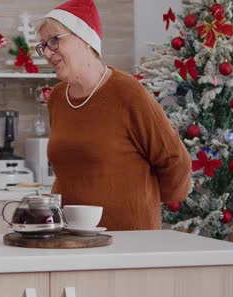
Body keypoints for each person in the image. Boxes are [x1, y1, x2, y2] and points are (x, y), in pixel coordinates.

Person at [36, 0, 192, 231]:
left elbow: (175, 160)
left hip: (128, 238)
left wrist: (143, 201)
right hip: (69, 235)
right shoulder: (58, 98)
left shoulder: (128, 93)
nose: (47, 52)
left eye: (54, 41)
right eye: (43, 46)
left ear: (84, 39)